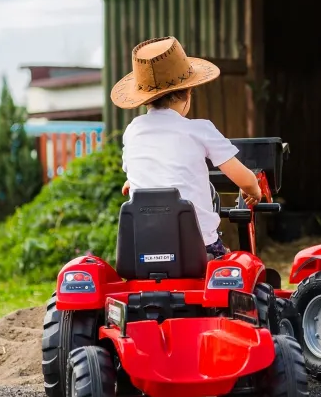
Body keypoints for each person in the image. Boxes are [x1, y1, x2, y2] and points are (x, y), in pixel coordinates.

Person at [111, 36, 262, 259]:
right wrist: (253, 191)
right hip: (199, 249)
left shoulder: (133, 131)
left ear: (144, 100)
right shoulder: (200, 129)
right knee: (233, 260)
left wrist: (131, 181)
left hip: (142, 250)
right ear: (188, 93)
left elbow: (140, 167)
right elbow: (245, 179)